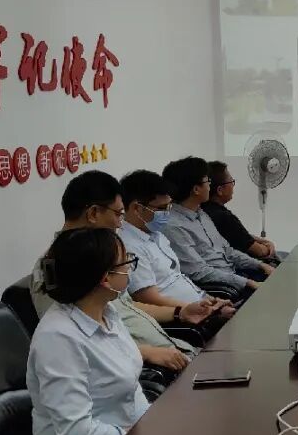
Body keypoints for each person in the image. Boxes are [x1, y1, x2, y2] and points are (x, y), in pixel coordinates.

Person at [30, 171, 212, 372]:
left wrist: (180, 313)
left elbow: (126, 308)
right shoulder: (56, 266)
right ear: (93, 213)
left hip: (167, 350)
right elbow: (71, 341)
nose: (120, 223)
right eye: (118, 214)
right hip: (140, 367)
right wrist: (144, 352)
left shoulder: (104, 256)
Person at [27, 228, 150, 435]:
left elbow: (131, 385)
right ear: (105, 278)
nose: (130, 267)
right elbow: (76, 433)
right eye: (126, 261)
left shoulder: (107, 312)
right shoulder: (58, 338)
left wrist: (151, 424)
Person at [120, 170, 236, 316]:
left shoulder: (156, 233)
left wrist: (211, 301)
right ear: (137, 208)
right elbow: (149, 299)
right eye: (162, 208)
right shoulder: (129, 247)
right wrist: (208, 310)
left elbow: (178, 278)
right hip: (183, 317)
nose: (167, 213)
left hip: (198, 305)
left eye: (169, 206)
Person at [162, 157, 271, 295]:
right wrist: (247, 283)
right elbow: (200, 272)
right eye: (207, 181)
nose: (210, 185)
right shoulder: (174, 226)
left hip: (235, 275)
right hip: (221, 288)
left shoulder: (201, 214)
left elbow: (227, 251)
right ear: (196, 189)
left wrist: (260, 265)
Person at [203, 160, 282, 262]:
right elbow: (260, 252)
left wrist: (263, 241)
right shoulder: (224, 218)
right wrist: (268, 246)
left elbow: (241, 236)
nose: (233, 185)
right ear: (220, 190)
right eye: (231, 182)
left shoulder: (202, 210)